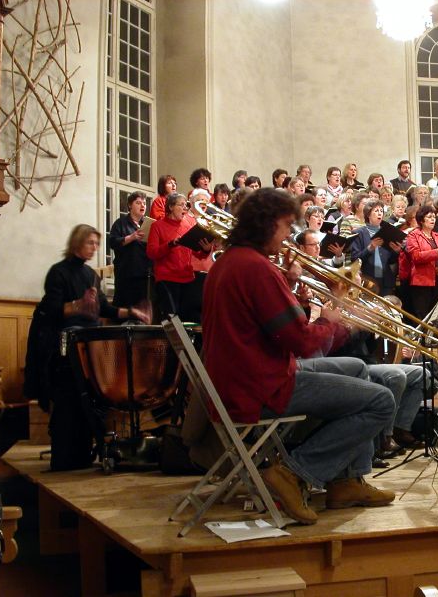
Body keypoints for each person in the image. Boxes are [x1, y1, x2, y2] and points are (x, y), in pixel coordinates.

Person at [202, 188, 395, 524]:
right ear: (267, 224)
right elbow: (302, 342)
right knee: (382, 401)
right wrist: (330, 319)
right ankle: (295, 472)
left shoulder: (232, 262)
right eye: (286, 225)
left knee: (357, 368)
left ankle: (347, 481)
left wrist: (288, 284)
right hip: (262, 386)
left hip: (243, 378)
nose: (289, 234)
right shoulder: (256, 269)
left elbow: (267, 323)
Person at [25, 224, 149, 470]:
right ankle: (66, 459)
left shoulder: (91, 275)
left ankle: (87, 452)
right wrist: (77, 306)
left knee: (94, 399)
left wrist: (131, 312)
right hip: (66, 343)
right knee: (70, 402)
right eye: (90, 243)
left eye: (96, 244)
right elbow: (51, 310)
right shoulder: (58, 273)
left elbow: (103, 308)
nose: (94, 248)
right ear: (77, 243)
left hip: (88, 341)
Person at [146, 193, 214, 321]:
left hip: (187, 278)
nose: (185, 208)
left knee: (189, 317)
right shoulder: (157, 226)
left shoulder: (188, 226)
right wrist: (170, 244)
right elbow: (152, 252)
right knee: (172, 318)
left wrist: (205, 250)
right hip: (167, 278)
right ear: (171, 207)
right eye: (181, 205)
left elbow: (196, 254)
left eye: (186, 205)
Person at [108, 190, 151, 308]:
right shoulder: (120, 223)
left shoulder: (148, 224)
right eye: (138, 203)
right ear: (130, 205)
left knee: (142, 308)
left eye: (144, 203)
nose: (142, 205)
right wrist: (132, 237)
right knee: (125, 307)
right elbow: (112, 243)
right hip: (126, 273)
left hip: (144, 273)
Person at [351, 200, 402, 296]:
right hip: (367, 279)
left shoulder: (387, 232)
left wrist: (396, 252)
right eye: (376, 211)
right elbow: (355, 259)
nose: (380, 213)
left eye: (381, 211)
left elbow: (390, 260)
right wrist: (370, 248)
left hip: (386, 281)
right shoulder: (359, 233)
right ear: (368, 215)